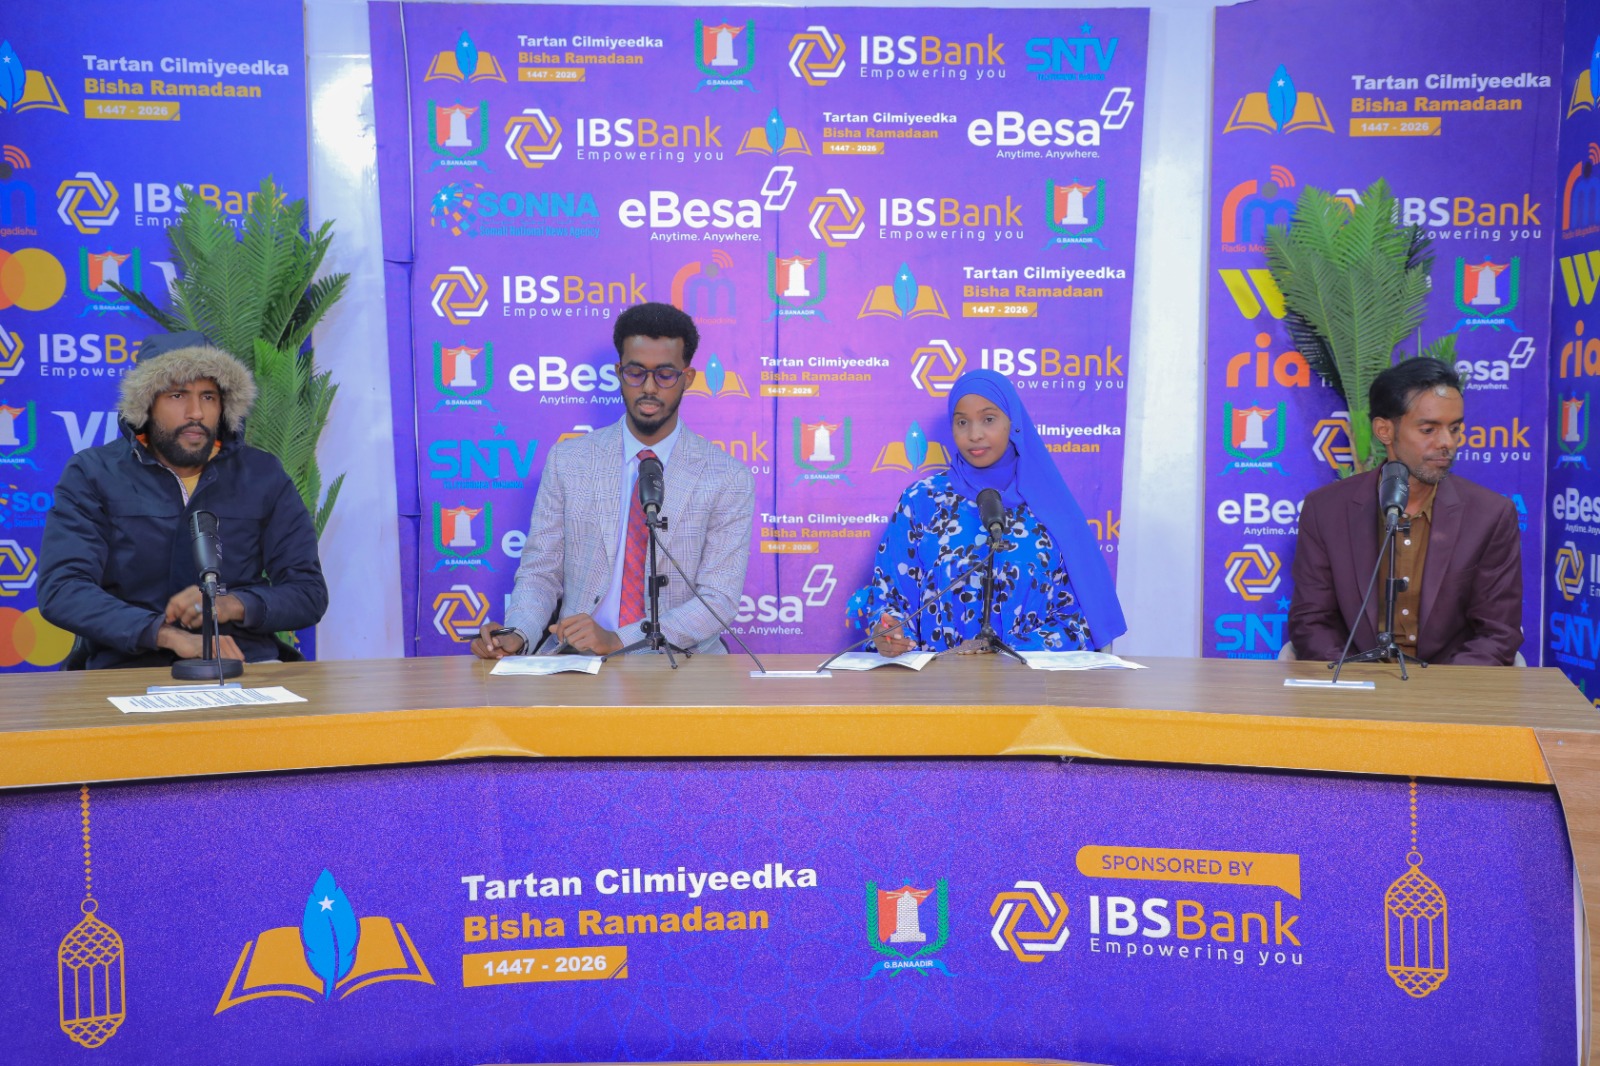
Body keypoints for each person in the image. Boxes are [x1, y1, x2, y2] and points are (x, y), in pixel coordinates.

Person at [472, 302, 754, 658]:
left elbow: (718, 599)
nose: (649, 387)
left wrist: (619, 639)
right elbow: (540, 573)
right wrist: (518, 633)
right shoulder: (569, 461)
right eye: (636, 372)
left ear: (688, 378)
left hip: (682, 661)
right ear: (619, 373)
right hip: (577, 658)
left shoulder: (727, 477)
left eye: (665, 375)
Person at [38, 331, 328, 668]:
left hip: (244, 662)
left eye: (208, 397)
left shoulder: (262, 474)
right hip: (127, 666)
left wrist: (233, 604)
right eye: (177, 395)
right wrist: (163, 634)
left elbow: (308, 593)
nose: (196, 413)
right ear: (146, 404)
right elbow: (63, 589)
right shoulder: (93, 473)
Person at [852, 369, 1126, 656]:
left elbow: (1079, 621)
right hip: (939, 680)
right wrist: (891, 634)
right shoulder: (922, 500)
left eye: (989, 419)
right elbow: (891, 600)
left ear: (1013, 423)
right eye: (962, 422)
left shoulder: (1050, 504)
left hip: (1029, 680)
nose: (974, 434)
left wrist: (1004, 654)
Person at [1287, 358, 1522, 665]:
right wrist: (1357, 680)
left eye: (1454, 428)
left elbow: (1498, 633)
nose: (1447, 443)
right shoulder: (1326, 510)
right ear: (1385, 430)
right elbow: (1311, 622)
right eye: (1429, 429)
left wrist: (1439, 689)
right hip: (1358, 681)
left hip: (1448, 684)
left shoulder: (1490, 515)